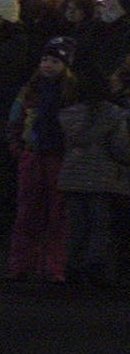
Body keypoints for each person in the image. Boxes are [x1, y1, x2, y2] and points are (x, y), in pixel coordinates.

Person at [6, 36, 77, 282]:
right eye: (45, 59)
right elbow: (15, 119)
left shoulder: (72, 92)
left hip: (58, 157)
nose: (47, 65)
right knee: (28, 212)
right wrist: (17, 147)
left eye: (54, 60)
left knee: (57, 214)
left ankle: (52, 267)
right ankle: (22, 265)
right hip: (34, 155)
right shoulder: (31, 90)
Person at [56, 76, 129, 287]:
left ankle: (72, 267)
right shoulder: (113, 115)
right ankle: (94, 266)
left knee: (77, 225)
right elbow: (121, 149)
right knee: (99, 226)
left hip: (73, 176)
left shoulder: (70, 115)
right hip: (102, 178)